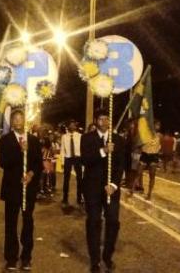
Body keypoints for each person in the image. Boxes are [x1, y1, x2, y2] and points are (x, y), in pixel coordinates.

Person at [0, 109, 43, 271]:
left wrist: (31, 174)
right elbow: (3, 162)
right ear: (11, 121)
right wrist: (20, 150)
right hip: (11, 188)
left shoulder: (33, 140)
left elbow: (39, 163)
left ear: (25, 120)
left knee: (28, 222)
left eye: (20, 118)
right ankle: (11, 257)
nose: (18, 121)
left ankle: (26, 257)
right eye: (15, 118)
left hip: (28, 188)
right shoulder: (5, 140)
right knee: (11, 224)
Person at [81, 109, 125, 273]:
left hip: (111, 189)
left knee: (113, 221)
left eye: (107, 118)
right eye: (101, 119)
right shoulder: (87, 138)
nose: (105, 122)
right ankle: (95, 259)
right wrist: (103, 151)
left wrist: (113, 185)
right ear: (96, 121)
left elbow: (121, 165)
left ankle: (107, 255)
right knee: (93, 222)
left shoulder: (119, 140)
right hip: (92, 188)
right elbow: (85, 160)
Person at [132, 120, 162, 200]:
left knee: (152, 176)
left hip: (154, 156)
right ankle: (132, 190)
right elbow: (139, 144)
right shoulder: (145, 134)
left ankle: (149, 194)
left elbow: (160, 147)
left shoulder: (159, 136)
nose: (157, 126)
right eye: (156, 125)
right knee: (138, 173)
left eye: (158, 125)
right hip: (145, 155)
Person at [61, 120, 83, 206]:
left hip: (78, 158)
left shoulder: (80, 136)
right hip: (68, 158)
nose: (72, 126)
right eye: (70, 125)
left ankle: (79, 198)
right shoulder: (64, 137)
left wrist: (82, 160)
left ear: (75, 126)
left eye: (73, 125)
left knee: (79, 179)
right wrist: (63, 162)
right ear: (68, 126)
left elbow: (82, 148)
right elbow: (62, 150)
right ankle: (65, 197)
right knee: (66, 180)